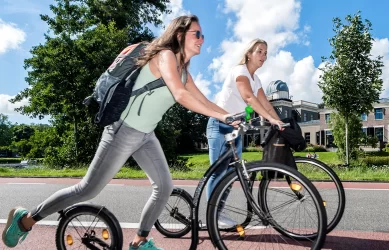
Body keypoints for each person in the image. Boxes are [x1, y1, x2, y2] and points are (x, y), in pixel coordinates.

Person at [2, 15, 237, 250]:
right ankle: (24, 221)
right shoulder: (165, 56)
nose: (202, 39)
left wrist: (231, 117)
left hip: (146, 135)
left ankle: (139, 243)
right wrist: (224, 117)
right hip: (122, 130)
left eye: (202, 35)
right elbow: (181, 95)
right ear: (179, 35)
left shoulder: (184, 73)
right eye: (197, 34)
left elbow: (204, 101)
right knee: (87, 189)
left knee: (164, 187)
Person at [206, 38, 284, 222]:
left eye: (265, 53)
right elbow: (248, 97)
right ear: (249, 54)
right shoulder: (239, 71)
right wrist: (270, 119)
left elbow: (265, 102)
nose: (263, 56)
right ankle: (214, 216)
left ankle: (220, 211)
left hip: (235, 129)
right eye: (259, 51)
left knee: (233, 174)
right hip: (219, 125)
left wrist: (280, 122)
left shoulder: (256, 79)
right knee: (218, 172)